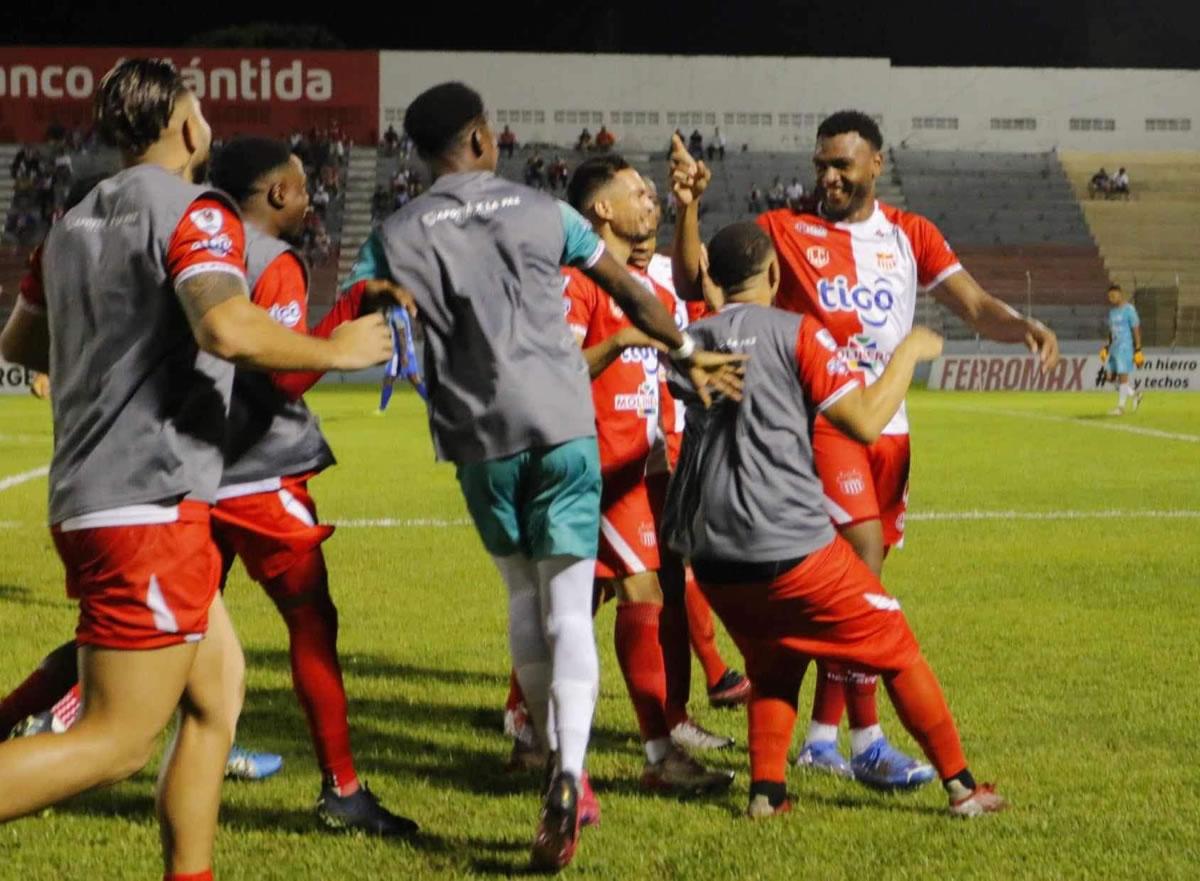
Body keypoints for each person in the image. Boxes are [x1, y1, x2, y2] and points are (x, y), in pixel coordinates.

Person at [0, 58, 391, 880]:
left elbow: (20, 347)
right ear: (185, 126)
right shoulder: (195, 209)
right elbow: (225, 326)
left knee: (217, 696)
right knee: (115, 741)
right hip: (151, 501)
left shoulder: (70, 222)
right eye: (202, 111)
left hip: (95, 496)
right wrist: (339, 346)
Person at [339, 81, 744, 872]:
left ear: (420, 154)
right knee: (568, 602)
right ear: (484, 139)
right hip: (563, 421)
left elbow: (366, 308)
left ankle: (563, 762)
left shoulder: (398, 228)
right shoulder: (540, 210)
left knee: (524, 596)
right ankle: (569, 775)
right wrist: (688, 350)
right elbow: (630, 287)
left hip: (476, 436)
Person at [670, 113, 1058, 789]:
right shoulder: (787, 229)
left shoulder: (911, 235)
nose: (829, 176)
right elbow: (702, 275)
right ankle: (868, 737)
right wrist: (692, 206)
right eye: (822, 163)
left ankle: (825, 735)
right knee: (863, 560)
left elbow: (971, 304)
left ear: (875, 163)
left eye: (843, 165)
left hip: (891, 428)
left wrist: (1019, 324)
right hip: (833, 423)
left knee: (866, 582)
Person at [661, 219, 1008, 820]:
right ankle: (965, 788)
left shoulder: (688, 341)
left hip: (714, 559)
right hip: (790, 546)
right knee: (896, 644)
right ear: (774, 273)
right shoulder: (800, 334)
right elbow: (864, 421)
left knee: (774, 661)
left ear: (713, 278)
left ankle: (767, 794)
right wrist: (911, 351)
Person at [562, 156, 738, 787]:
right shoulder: (578, 282)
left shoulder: (649, 289)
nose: (649, 198)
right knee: (639, 594)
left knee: (580, 600)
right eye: (635, 191)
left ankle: (530, 728)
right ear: (601, 209)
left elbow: (695, 295)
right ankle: (662, 755)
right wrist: (618, 344)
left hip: (639, 469)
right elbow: (555, 374)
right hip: (595, 471)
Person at [1100, 283, 1144, 415]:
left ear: (1120, 294)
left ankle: (1121, 408)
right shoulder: (1112, 312)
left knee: (1123, 377)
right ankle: (1135, 395)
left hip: (1124, 347)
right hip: (1114, 348)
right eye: (1110, 297)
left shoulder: (1129, 309)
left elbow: (1135, 328)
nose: (1111, 298)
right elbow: (1111, 331)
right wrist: (1107, 347)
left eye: (1113, 295)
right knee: (1109, 377)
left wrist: (1138, 348)